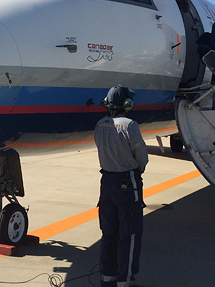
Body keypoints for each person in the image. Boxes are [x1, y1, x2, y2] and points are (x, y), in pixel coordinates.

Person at [94, 85, 148, 287]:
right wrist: (137, 170)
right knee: (131, 232)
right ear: (127, 104)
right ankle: (125, 280)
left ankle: (107, 277)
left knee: (109, 232)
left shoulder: (99, 125)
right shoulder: (130, 125)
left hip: (106, 183)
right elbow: (141, 157)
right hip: (127, 182)